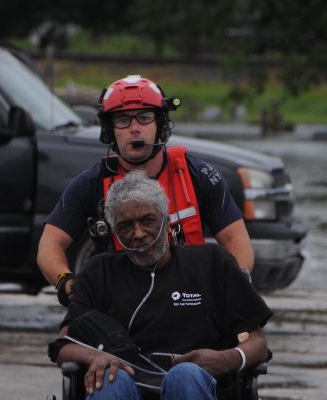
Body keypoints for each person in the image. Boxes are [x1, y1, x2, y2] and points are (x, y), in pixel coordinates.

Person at [49, 171, 272, 399]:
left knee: (184, 375)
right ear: (115, 232)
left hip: (198, 383)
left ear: (166, 219)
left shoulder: (212, 263)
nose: (138, 234)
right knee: (110, 377)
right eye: (125, 226)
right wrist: (94, 357)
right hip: (126, 380)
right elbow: (63, 345)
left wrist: (228, 359)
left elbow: (258, 344)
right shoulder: (99, 272)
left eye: (147, 220)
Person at [38, 75, 254, 306]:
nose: (134, 129)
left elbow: (236, 240)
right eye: (123, 120)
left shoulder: (198, 175)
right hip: (124, 302)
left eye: (144, 118)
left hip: (191, 299)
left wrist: (234, 285)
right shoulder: (90, 183)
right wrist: (65, 280)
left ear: (160, 125)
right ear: (110, 131)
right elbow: (50, 245)